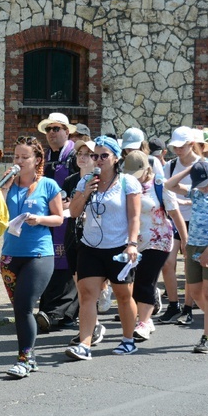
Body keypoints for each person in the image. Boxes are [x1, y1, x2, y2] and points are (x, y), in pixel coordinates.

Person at [64, 135, 142, 360]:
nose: (98, 160)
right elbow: (75, 212)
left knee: (123, 295)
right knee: (87, 295)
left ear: (116, 158)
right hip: (90, 246)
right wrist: (87, 191)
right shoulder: (86, 181)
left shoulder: (128, 183)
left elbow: (135, 217)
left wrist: (132, 244)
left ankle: (128, 340)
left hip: (119, 247)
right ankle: (85, 344)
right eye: (94, 156)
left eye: (103, 156)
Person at [0, 136, 62, 377]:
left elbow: (59, 218)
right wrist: (3, 188)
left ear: (37, 160)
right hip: (9, 255)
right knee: (19, 309)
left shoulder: (48, 185)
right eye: (16, 156)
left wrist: (40, 219)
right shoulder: (9, 185)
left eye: (25, 157)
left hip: (38, 254)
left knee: (25, 305)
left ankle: (25, 357)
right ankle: (28, 357)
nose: (19, 161)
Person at [165, 160, 208, 354]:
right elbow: (169, 185)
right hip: (193, 245)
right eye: (198, 184)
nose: (201, 188)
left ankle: (207, 337)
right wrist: (189, 170)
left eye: (204, 183)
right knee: (194, 292)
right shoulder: (195, 191)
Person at [158, 127, 208, 326]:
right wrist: (188, 168)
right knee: (168, 263)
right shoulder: (170, 165)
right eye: (174, 146)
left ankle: (188, 307)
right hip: (175, 219)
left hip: (198, 223)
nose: (177, 149)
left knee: (188, 264)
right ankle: (173, 304)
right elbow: (167, 186)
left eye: (181, 146)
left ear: (191, 144)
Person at [121, 151, 187, 342]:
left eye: (137, 174)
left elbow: (175, 214)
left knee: (145, 280)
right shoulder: (126, 184)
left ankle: (143, 323)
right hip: (134, 240)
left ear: (146, 169)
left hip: (159, 239)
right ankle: (146, 315)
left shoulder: (159, 185)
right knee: (133, 283)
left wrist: (184, 240)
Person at [36, 117, 83, 332]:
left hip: (69, 220)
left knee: (66, 267)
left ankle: (56, 313)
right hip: (49, 220)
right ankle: (55, 312)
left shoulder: (74, 156)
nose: (51, 132)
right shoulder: (45, 157)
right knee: (50, 264)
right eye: (48, 129)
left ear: (67, 132)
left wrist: (70, 201)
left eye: (56, 129)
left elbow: (81, 182)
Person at [60, 139, 106, 344]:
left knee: (90, 285)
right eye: (79, 153)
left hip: (94, 237)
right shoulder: (70, 181)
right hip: (72, 235)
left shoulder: (101, 180)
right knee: (79, 284)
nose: (82, 157)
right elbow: (64, 206)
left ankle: (93, 327)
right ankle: (88, 325)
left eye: (87, 153)